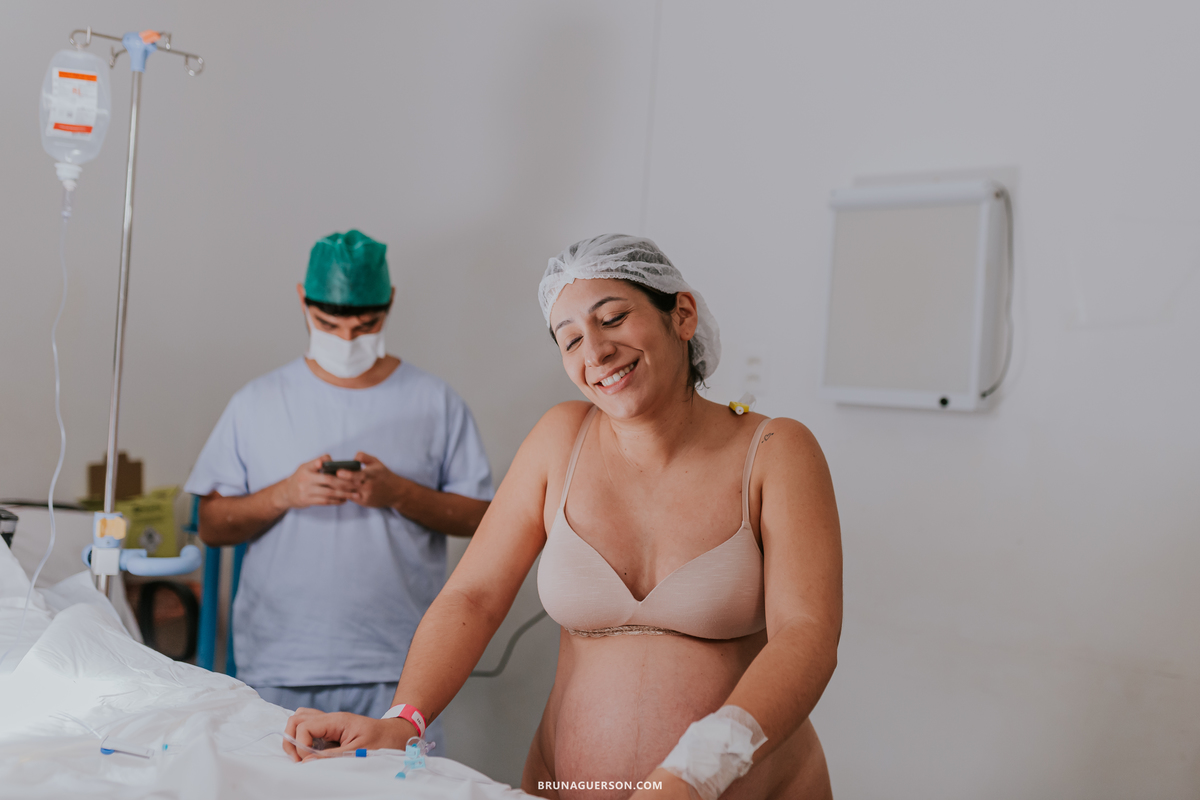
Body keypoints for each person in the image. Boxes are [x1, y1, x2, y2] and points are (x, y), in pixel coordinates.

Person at [285, 234, 842, 800]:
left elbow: (807, 635)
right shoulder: (560, 437)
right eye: (570, 338)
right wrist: (406, 719)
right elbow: (473, 596)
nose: (595, 352)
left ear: (683, 314)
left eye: (614, 318)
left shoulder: (775, 448)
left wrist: (695, 775)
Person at [185, 230, 493, 749]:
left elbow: (483, 521)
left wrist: (397, 492)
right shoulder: (257, 403)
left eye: (364, 324)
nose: (347, 339)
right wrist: (285, 493)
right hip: (282, 662)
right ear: (303, 301)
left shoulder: (434, 402)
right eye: (328, 324)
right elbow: (212, 526)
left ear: (389, 304)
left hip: (401, 668)